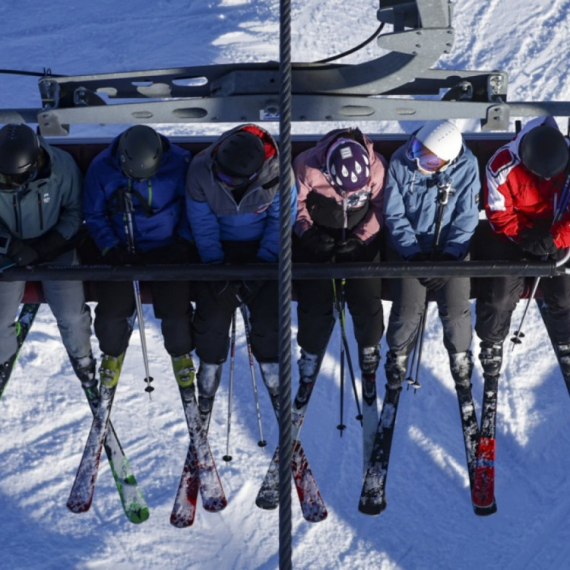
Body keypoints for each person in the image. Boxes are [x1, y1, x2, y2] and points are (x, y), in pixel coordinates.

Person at [185, 123, 297, 423]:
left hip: (262, 250)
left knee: (269, 313)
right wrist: (215, 267)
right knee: (211, 314)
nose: (223, 181)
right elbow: (203, 224)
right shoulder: (201, 170)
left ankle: (274, 374)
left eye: (230, 179)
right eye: (220, 174)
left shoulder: (278, 174)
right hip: (220, 250)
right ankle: (207, 378)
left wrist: (262, 264)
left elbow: (280, 223)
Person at [83, 125, 195, 388]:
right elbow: (94, 214)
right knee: (111, 313)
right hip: (124, 251)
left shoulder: (180, 163)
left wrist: (182, 242)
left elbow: (194, 205)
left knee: (176, 311)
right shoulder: (102, 169)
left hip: (167, 250)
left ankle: (181, 353)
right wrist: (111, 248)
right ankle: (112, 352)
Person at [292, 127, 387, 410]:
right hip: (318, 237)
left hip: (359, 240)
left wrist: (361, 238)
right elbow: (294, 205)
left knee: (366, 297)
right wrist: (306, 232)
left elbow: (380, 208)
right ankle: (309, 354)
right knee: (314, 299)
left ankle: (369, 353)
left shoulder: (375, 166)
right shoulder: (308, 166)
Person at [382, 120, 480, 393]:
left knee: (456, 307)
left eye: (427, 158)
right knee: (408, 308)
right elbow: (394, 213)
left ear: (446, 162)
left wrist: (452, 257)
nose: (416, 159)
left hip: (449, 248)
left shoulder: (466, 167)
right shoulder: (401, 161)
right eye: (415, 149)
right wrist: (411, 254)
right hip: (409, 248)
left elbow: (467, 217)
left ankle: (460, 354)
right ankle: (398, 354)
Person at [475, 116, 570, 382]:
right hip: (517, 235)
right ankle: (492, 341)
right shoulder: (502, 165)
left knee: (565, 295)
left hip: (557, 232)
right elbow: (498, 212)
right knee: (500, 294)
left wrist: (555, 238)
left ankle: (566, 340)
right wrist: (525, 237)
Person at [0, 123, 95, 389]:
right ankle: (1, 358)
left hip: (55, 245)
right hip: (9, 251)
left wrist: (48, 245)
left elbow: (76, 212)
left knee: (71, 314)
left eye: (16, 180)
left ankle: (82, 357)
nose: (10, 184)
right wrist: (11, 246)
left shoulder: (60, 168)